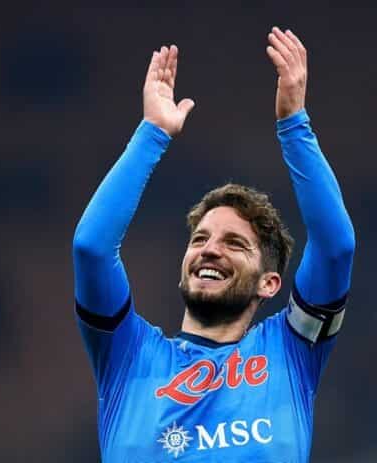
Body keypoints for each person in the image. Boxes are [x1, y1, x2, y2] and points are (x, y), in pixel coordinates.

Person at [72, 27, 355, 462]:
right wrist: (152, 133)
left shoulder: (291, 350)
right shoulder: (128, 355)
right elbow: (92, 248)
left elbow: (336, 247)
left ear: (269, 283)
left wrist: (294, 124)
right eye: (200, 238)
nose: (209, 249)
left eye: (235, 244)